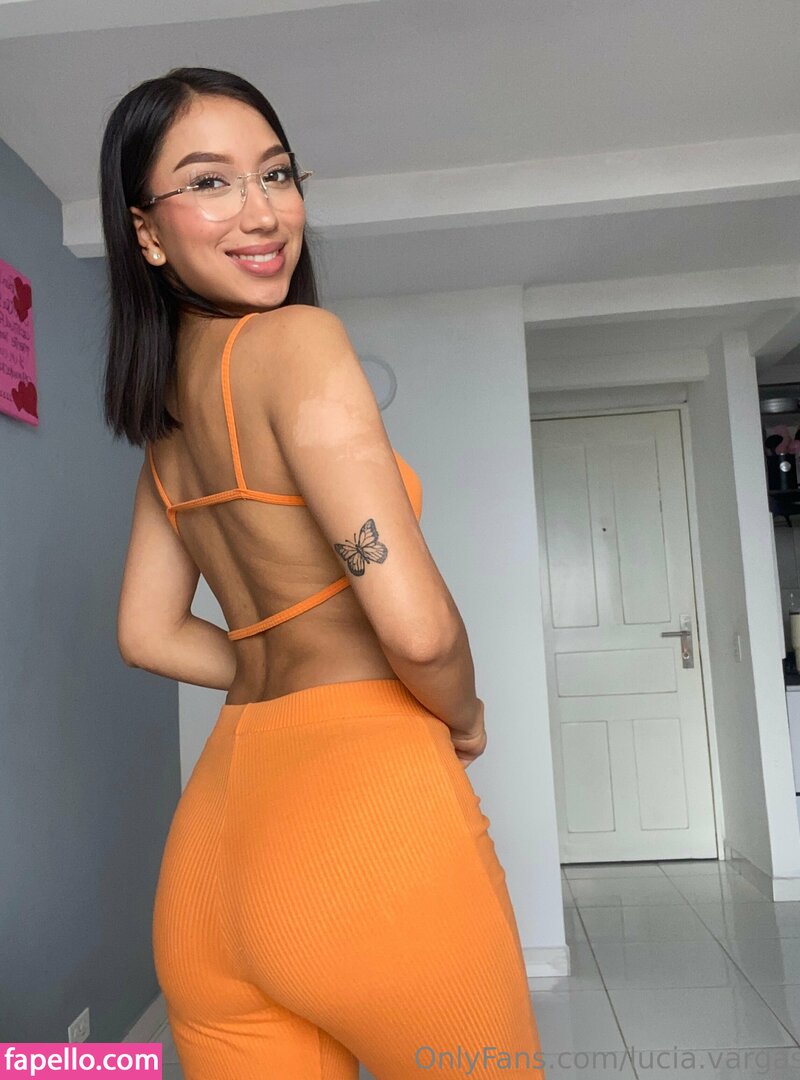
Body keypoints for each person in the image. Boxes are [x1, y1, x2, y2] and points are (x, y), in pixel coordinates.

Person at [100, 66, 544, 1080]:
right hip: (361, 818)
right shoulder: (297, 343)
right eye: (209, 182)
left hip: (214, 854)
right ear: (147, 232)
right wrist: (464, 713)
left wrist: (276, 662)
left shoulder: (166, 422)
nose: (262, 212)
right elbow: (419, 631)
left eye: (276, 173)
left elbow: (146, 633)